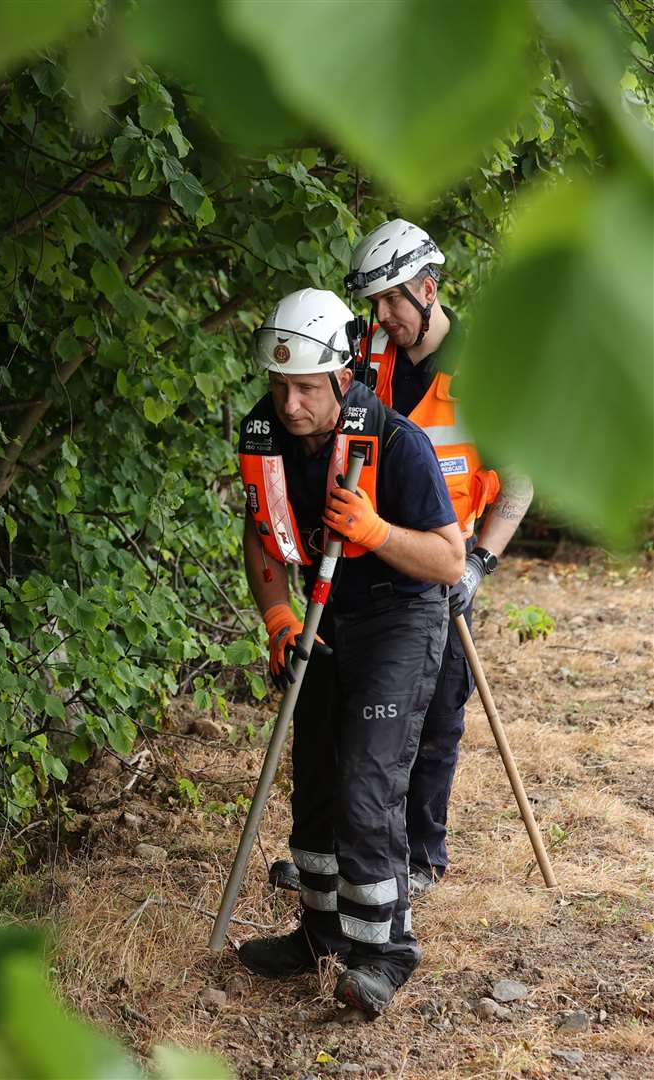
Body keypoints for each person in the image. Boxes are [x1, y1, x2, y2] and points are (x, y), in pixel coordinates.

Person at [268, 221, 536, 898]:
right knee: (343, 722)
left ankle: (418, 858)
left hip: (439, 559)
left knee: (437, 710)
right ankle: (333, 859)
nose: (379, 316)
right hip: (356, 558)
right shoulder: (361, 352)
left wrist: (479, 563)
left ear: (426, 288)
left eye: (389, 300)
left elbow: (519, 480)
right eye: (371, 303)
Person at [235, 288, 466, 1018]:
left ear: (341, 379)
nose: (290, 403)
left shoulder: (397, 444)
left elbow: (447, 561)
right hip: (320, 616)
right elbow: (261, 538)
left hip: (400, 617)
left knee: (368, 780)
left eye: (305, 387)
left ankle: (385, 952)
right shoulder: (268, 436)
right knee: (315, 782)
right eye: (278, 386)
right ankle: (320, 930)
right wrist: (275, 613)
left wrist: (372, 531)